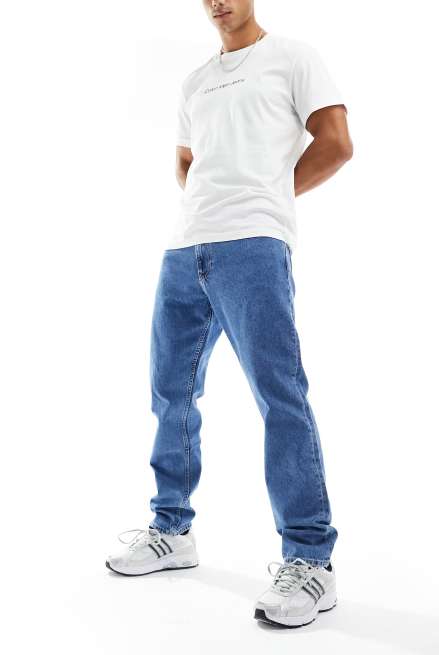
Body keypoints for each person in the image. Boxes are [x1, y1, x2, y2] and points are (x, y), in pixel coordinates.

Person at [106, 0, 353, 628]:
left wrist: (267, 193)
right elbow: (186, 161)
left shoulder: (292, 57)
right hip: (184, 248)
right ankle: (172, 529)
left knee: (279, 395)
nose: (218, 1)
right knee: (171, 391)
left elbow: (336, 144)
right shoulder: (195, 81)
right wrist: (210, 200)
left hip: (254, 246)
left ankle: (311, 560)